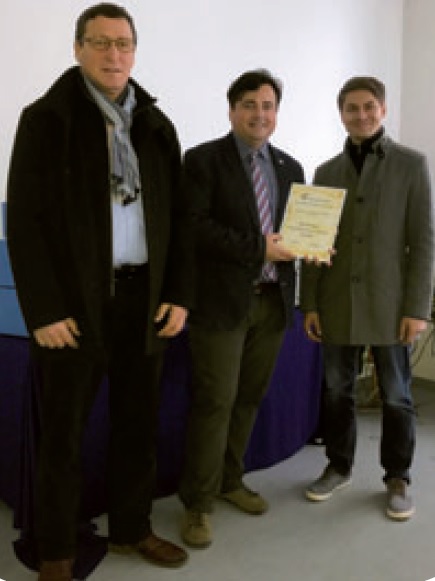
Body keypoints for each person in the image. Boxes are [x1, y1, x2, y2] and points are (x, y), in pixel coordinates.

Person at [6, 4, 192, 580]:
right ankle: (56, 550)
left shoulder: (156, 126)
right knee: (63, 435)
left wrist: (179, 294)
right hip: (73, 307)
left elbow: (179, 220)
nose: (115, 54)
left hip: (144, 301)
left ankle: (133, 528)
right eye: (101, 42)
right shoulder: (48, 120)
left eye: (123, 44)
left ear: (134, 52)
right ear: (78, 49)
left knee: (138, 425)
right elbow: (25, 222)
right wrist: (44, 310)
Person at [178, 69, 305, 548]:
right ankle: (198, 503)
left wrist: (313, 247)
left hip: (273, 303)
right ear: (232, 110)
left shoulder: (290, 167)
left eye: (268, 105)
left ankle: (230, 480)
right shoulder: (202, 161)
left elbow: (296, 232)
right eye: (249, 104)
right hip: (221, 305)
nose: (259, 114)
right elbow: (194, 227)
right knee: (215, 403)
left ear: (277, 113)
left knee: (249, 398)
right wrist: (258, 249)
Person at [300, 76, 434, 521]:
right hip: (337, 301)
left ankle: (398, 476)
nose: (361, 115)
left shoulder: (411, 165)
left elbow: (423, 242)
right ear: (341, 114)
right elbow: (314, 247)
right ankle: (338, 466)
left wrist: (417, 309)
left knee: (396, 395)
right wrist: (311, 303)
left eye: (369, 106)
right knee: (337, 390)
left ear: (383, 109)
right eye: (351, 108)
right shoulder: (326, 173)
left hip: (391, 304)